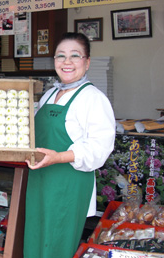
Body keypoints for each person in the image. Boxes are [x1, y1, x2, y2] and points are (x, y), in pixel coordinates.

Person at [24, 32, 115, 258]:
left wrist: (58, 157)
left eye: (75, 56)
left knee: (57, 245)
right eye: (60, 56)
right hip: (39, 180)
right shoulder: (49, 94)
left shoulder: (93, 98)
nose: (67, 62)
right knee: (35, 239)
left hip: (68, 185)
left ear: (87, 62)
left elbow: (99, 148)